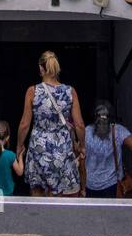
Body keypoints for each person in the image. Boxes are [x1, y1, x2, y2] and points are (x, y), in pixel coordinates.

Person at [16, 51, 85, 198]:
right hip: (62, 149)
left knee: (37, 191)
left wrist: (19, 145)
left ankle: (39, 220)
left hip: (38, 149)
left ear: (41, 68)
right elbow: (79, 124)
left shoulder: (32, 91)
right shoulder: (70, 91)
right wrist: (82, 145)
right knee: (59, 192)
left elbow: (24, 124)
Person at [84, 101, 132, 198]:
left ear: (94, 116)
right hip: (112, 184)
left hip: (90, 184)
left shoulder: (87, 131)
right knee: (113, 211)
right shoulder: (117, 130)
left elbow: (79, 152)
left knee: (93, 211)